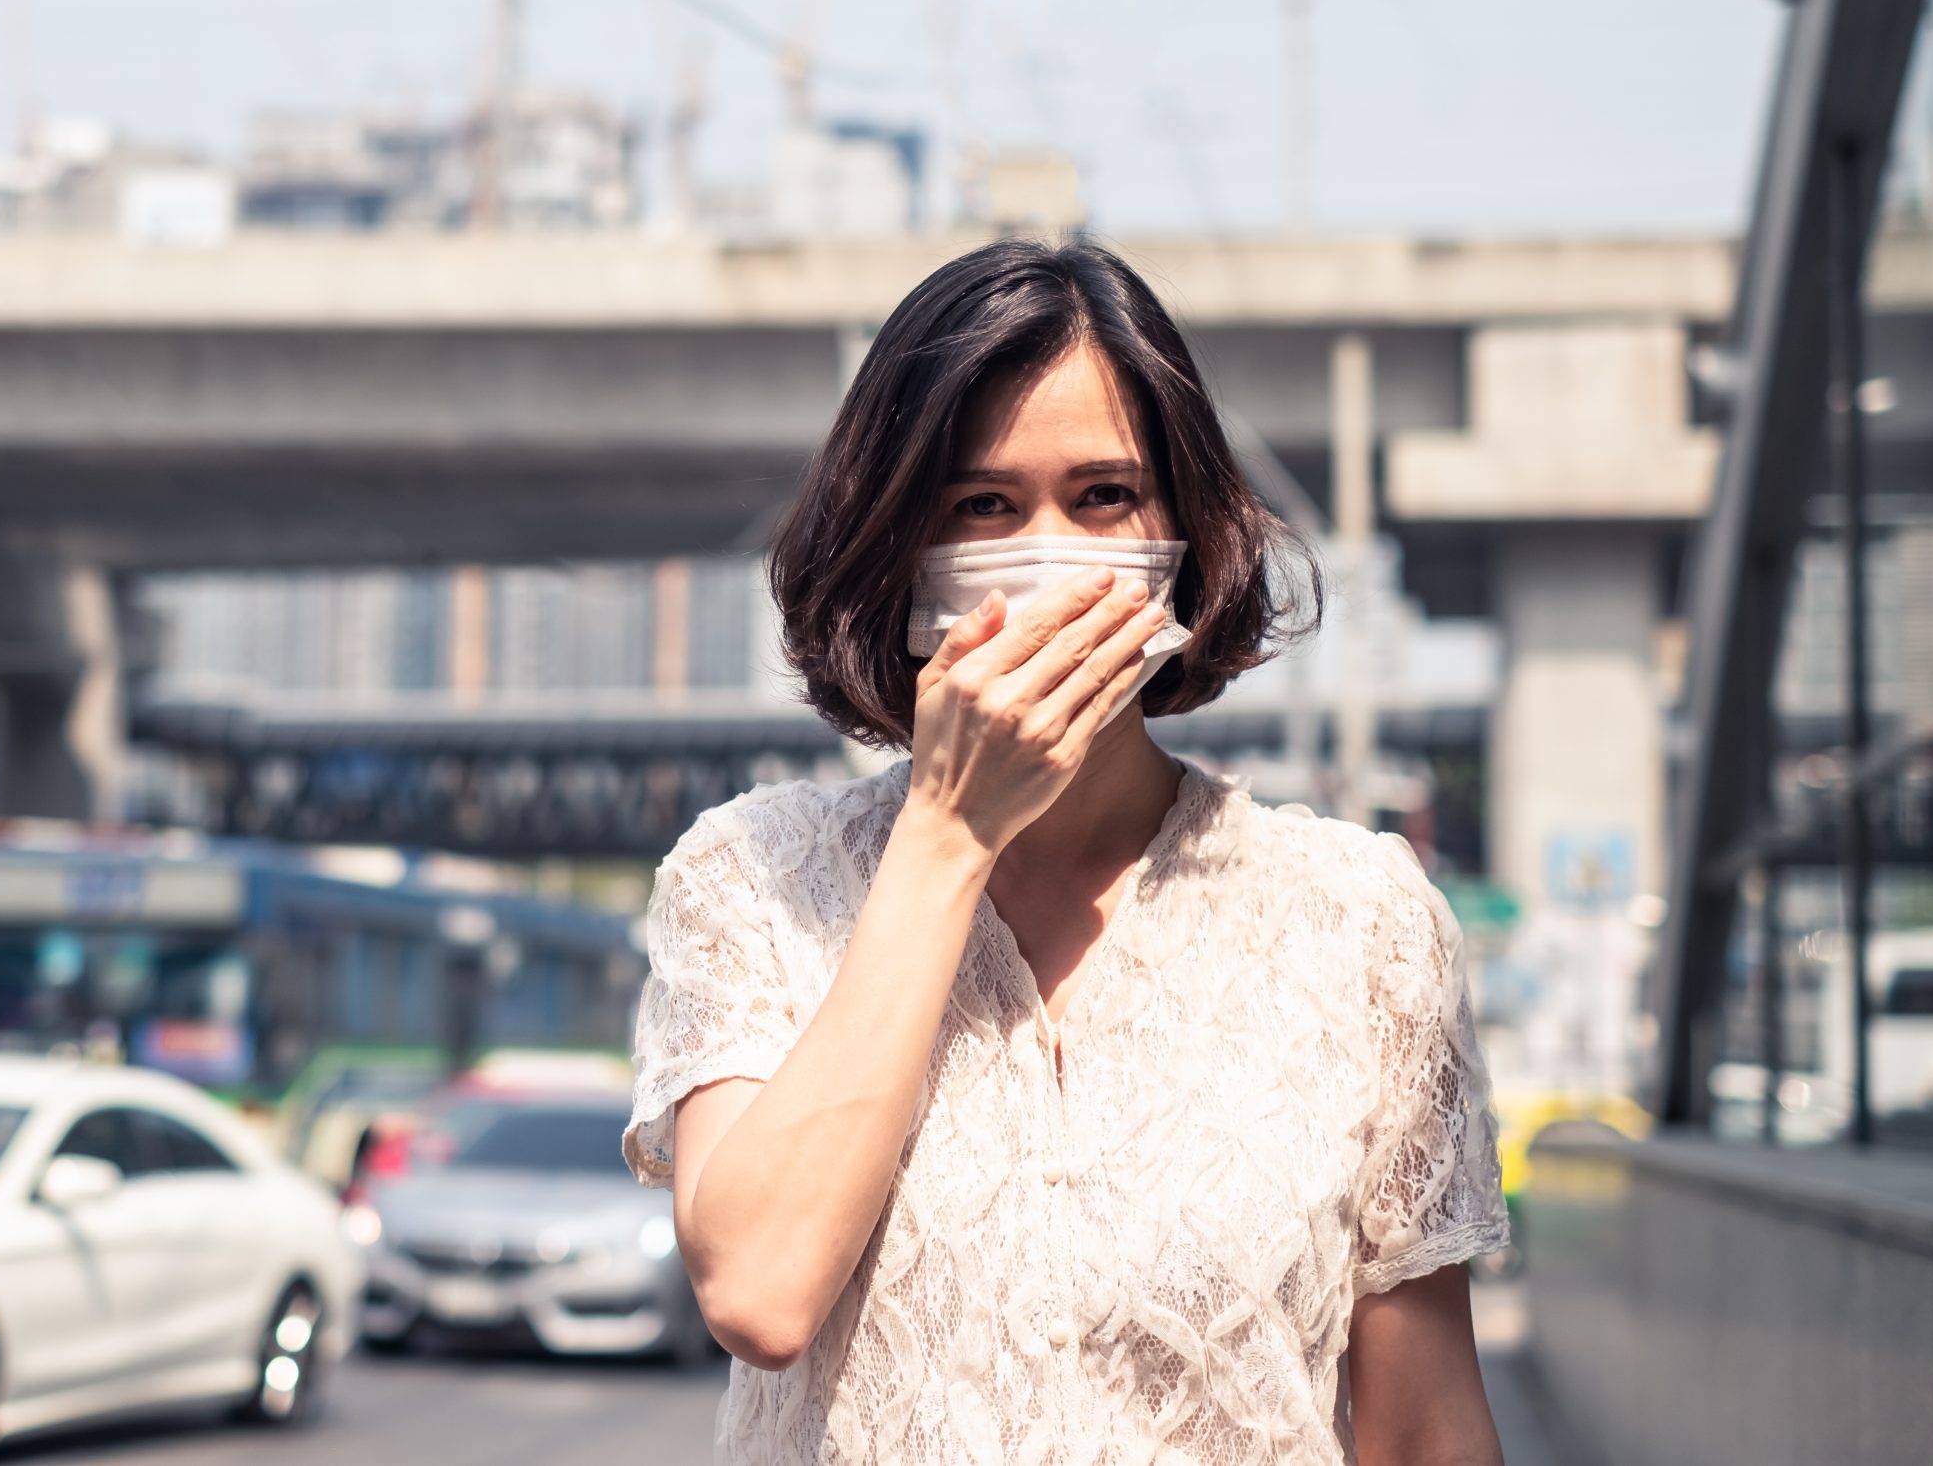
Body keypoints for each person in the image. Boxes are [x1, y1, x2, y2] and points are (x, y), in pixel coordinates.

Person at [622, 236, 1511, 1464]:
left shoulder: (1360, 924)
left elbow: (1423, 1432)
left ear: (1183, 533)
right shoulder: (753, 881)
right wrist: (947, 835)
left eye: (1103, 496)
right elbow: (759, 1292)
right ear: (900, 547)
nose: (1052, 557)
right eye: (982, 507)